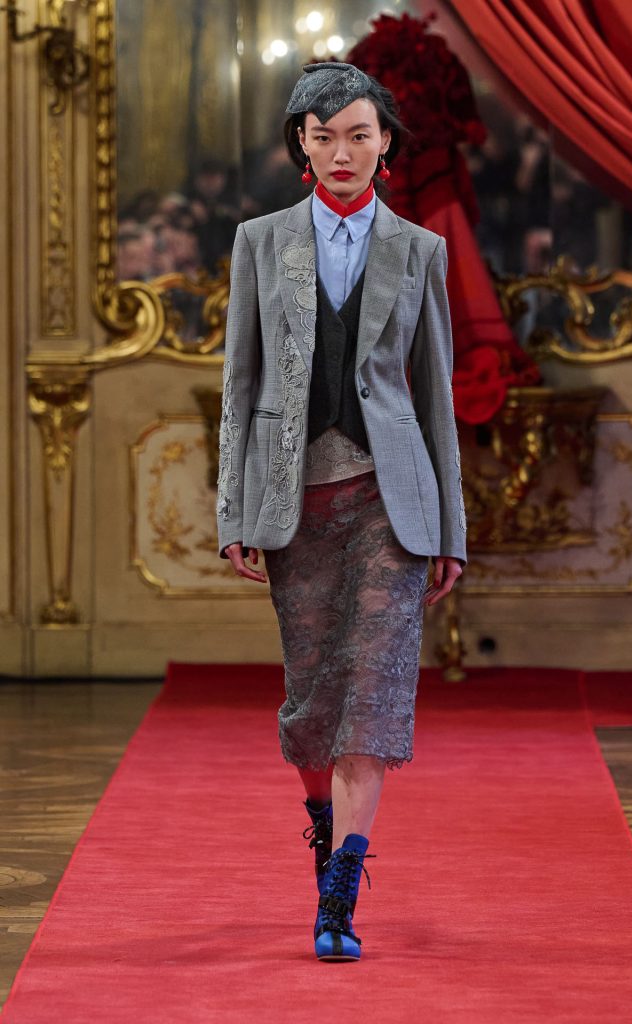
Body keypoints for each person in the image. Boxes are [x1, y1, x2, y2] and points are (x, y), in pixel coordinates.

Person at [216, 62, 467, 962]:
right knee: (314, 702)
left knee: (374, 693)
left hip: (390, 502)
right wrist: (234, 511)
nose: (341, 152)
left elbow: (434, 398)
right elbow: (238, 385)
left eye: (358, 134)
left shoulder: (419, 249)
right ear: (302, 144)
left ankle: (341, 891)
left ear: (384, 143)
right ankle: (324, 829)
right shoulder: (258, 242)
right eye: (323, 137)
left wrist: (450, 531)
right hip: (293, 500)